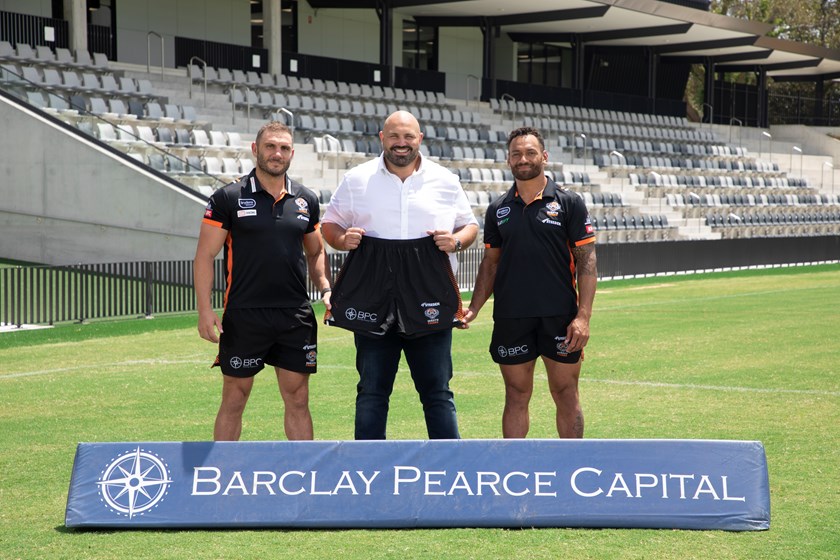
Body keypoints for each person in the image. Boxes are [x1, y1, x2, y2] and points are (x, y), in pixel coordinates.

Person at [321, 110, 479, 440]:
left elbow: (470, 226)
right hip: (372, 292)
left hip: (429, 291)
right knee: (372, 392)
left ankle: (450, 472)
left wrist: (456, 242)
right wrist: (339, 239)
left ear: (420, 139)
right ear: (382, 138)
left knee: (437, 393)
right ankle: (368, 473)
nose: (401, 143)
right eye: (394, 136)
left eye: (408, 137)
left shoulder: (446, 180)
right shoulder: (357, 179)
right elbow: (330, 223)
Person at [193, 121, 332, 441]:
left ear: (292, 154)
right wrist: (204, 310)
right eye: (270, 146)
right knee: (234, 398)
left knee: (298, 399)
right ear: (256, 149)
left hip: (294, 315)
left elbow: (316, 252)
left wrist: (325, 287)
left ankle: (303, 477)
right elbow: (204, 255)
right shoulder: (227, 197)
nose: (277, 153)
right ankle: (222, 474)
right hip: (244, 314)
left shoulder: (306, 200)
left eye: (283, 148)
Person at [463, 126, 597, 439]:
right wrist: (474, 307)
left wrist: (583, 316)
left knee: (565, 393)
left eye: (530, 152)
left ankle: (572, 465)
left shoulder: (569, 203)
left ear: (544, 157)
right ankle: (515, 468)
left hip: (560, 317)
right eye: (516, 154)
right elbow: (490, 264)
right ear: (508, 160)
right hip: (512, 316)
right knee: (516, 395)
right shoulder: (498, 209)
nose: (523, 158)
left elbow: (587, 261)